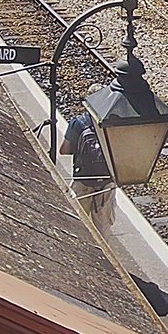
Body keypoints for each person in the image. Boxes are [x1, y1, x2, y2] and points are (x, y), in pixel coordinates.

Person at [61, 84, 116, 229]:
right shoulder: (114, 123)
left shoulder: (78, 123)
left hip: (83, 180)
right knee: (103, 228)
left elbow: (64, 150)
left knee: (78, 225)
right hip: (106, 182)